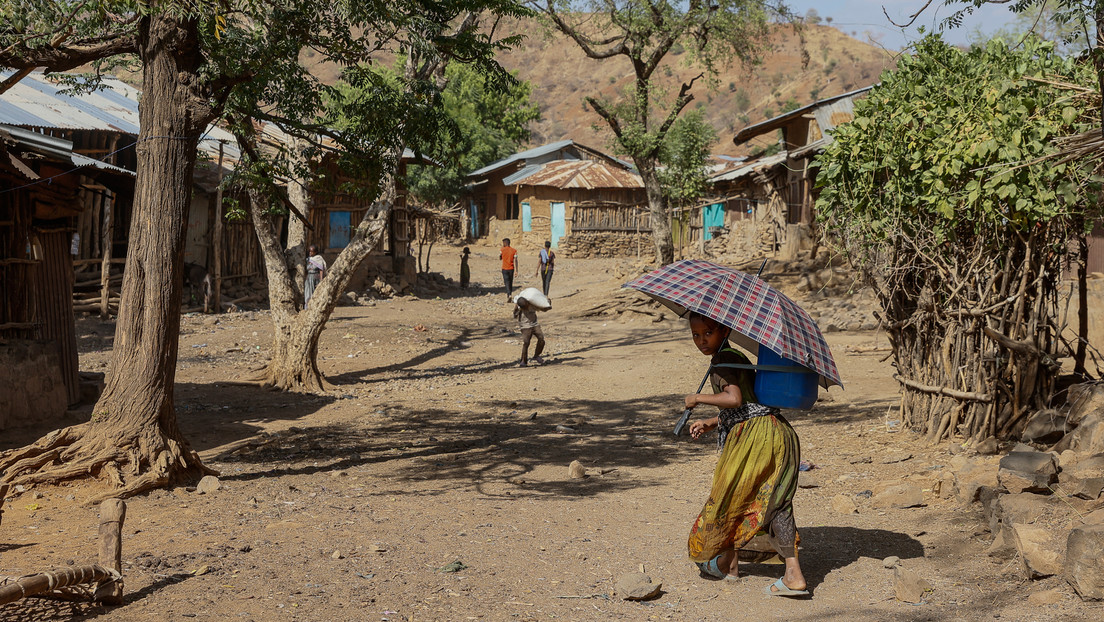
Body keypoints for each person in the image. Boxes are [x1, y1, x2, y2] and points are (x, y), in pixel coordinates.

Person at [683, 312, 808, 596]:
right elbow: (745, 407)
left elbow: (735, 399)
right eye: (695, 335)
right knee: (773, 502)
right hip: (777, 433)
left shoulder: (725, 360)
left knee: (729, 496)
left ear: (724, 330)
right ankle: (788, 573)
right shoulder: (730, 357)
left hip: (756, 439)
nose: (702, 340)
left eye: (708, 333)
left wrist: (697, 398)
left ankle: (731, 564)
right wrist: (710, 422)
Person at [513, 296, 545, 367]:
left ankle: (536, 355)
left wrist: (547, 303)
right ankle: (523, 360)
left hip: (534, 324)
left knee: (541, 338)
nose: (526, 308)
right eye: (524, 307)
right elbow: (514, 316)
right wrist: (516, 309)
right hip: (525, 326)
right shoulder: (519, 308)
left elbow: (542, 308)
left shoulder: (532, 304)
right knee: (526, 342)